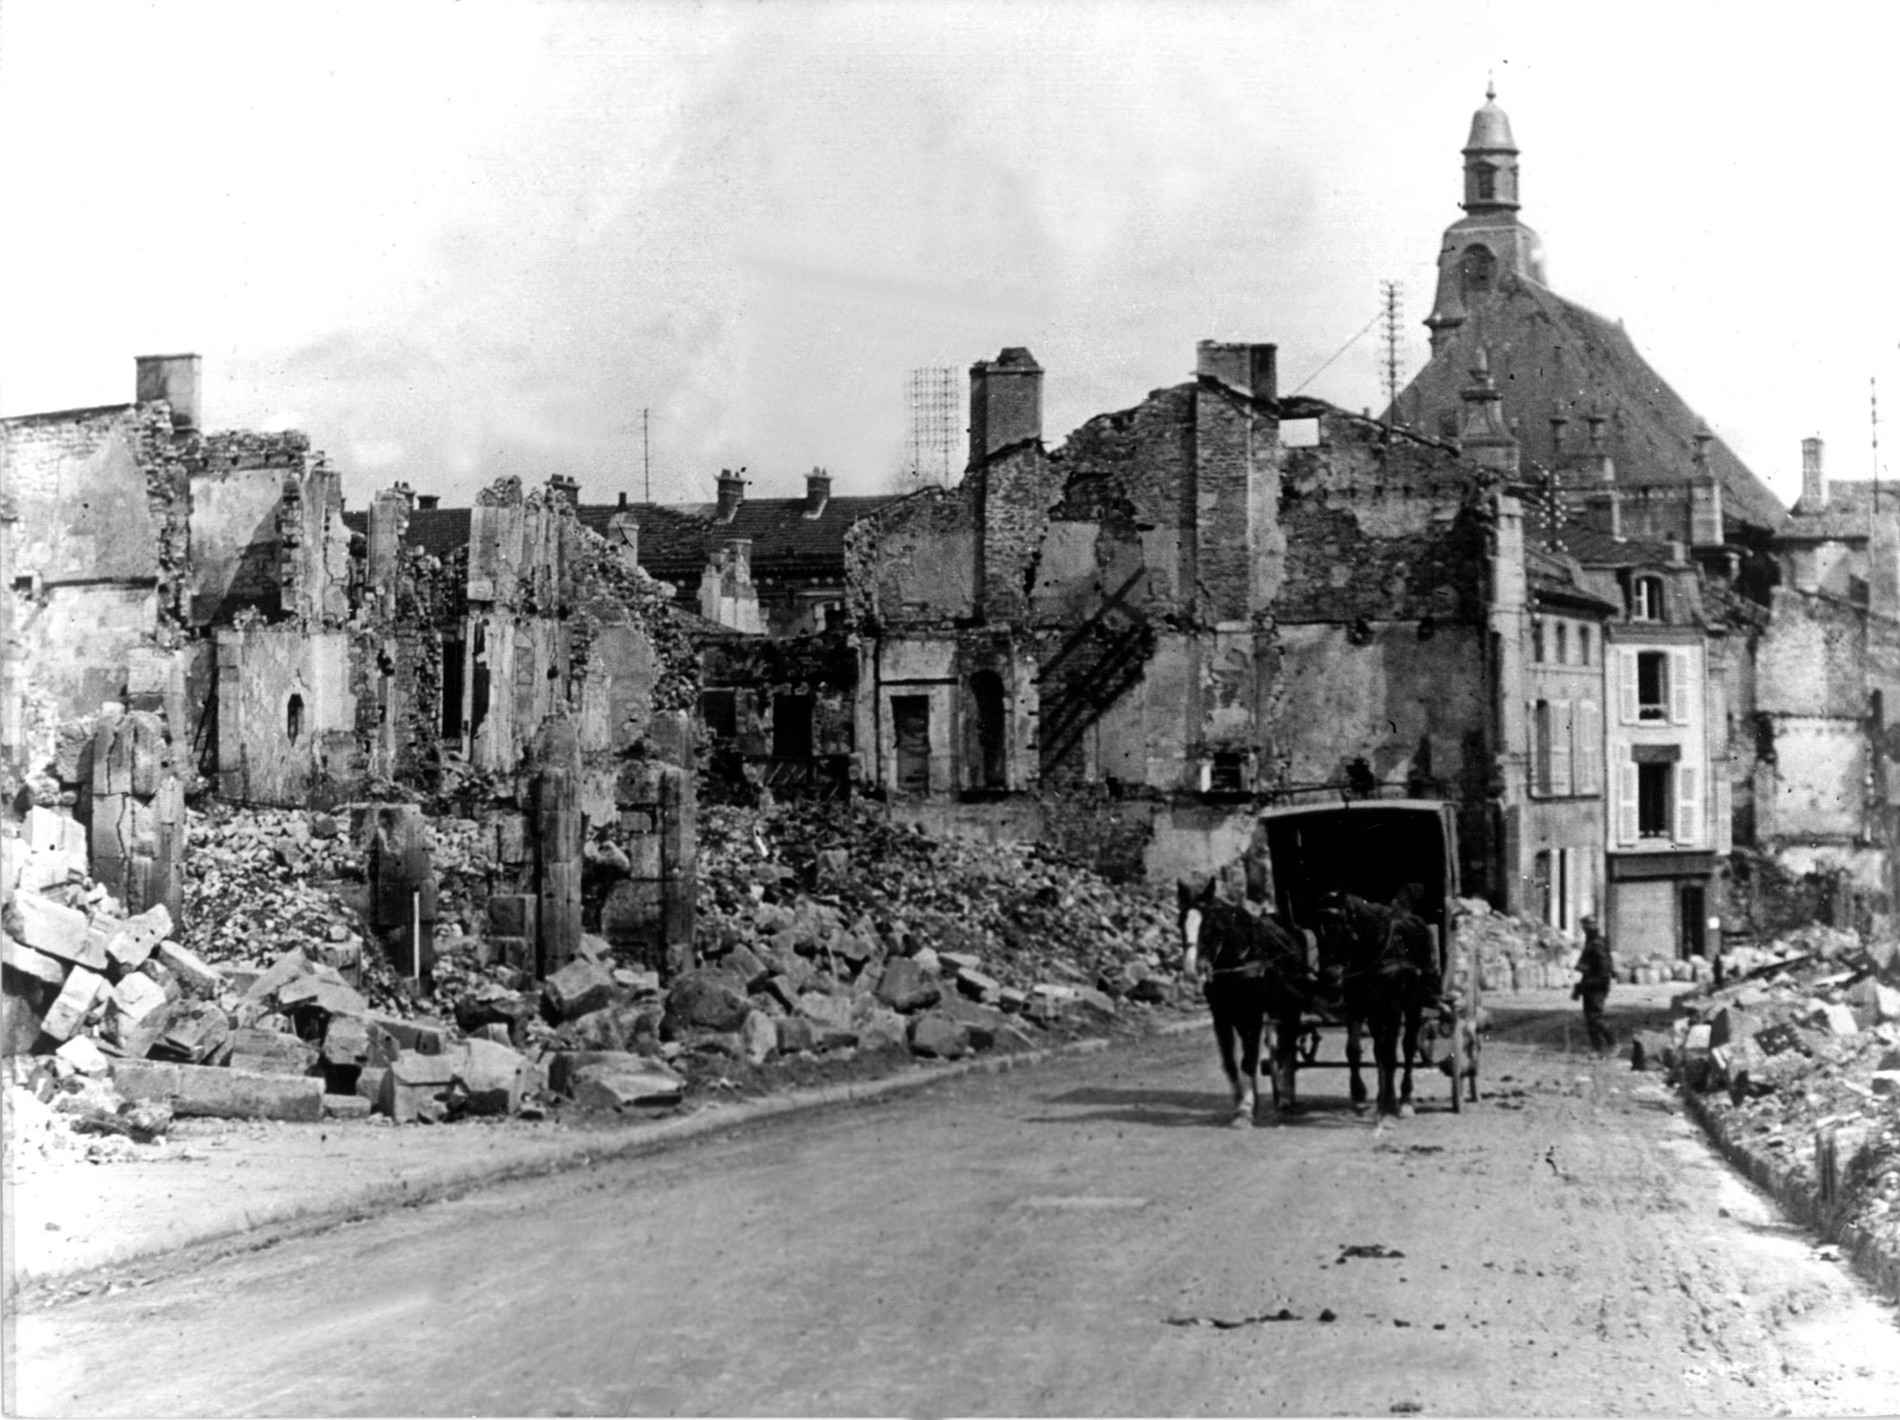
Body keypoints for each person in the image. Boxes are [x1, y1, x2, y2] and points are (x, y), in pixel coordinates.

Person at [1573, 915, 1614, 1054]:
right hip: (1591, 982)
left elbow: (1603, 967)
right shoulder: (1593, 942)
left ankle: (1613, 1043)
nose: (1585, 930)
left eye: (1586, 927)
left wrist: (1588, 973)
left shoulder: (1597, 943)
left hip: (1597, 984)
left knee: (1595, 1017)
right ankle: (1598, 1049)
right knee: (1590, 1018)